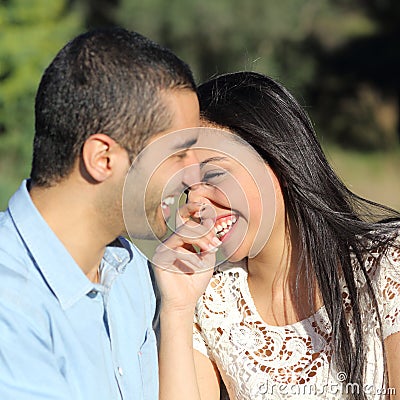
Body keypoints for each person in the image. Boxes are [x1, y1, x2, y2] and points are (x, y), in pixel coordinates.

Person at [153, 71, 400, 399]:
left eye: (213, 174)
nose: (196, 204)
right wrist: (176, 308)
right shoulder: (209, 302)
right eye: (186, 187)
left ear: (277, 160)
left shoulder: (387, 267)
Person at [0, 27, 201, 399]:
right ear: (103, 158)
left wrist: (178, 307)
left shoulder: (129, 271)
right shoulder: (9, 308)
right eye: (178, 153)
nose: (195, 175)